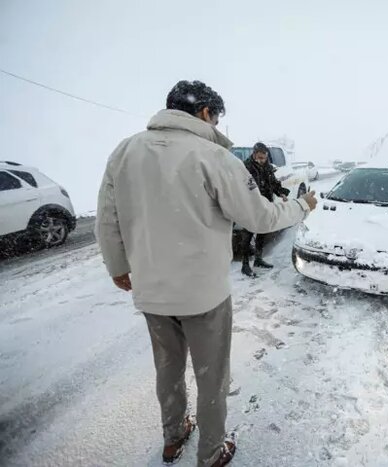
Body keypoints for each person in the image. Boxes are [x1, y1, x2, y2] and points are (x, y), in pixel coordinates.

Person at [95, 80, 317, 467]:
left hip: (151, 291)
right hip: (204, 295)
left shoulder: (125, 152)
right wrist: (302, 205)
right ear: (204, 113)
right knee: (211, 376)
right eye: (216, 116)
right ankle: (211, 453)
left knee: (168, 369)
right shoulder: (214, 157)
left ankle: (174, 434)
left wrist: (117, 267)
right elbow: (260, 217)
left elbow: (107, 220)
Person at [239, 142, 290, 277]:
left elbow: (273, 182)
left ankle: (258, 259)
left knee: (262, 231)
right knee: (248, 234)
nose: (262, 161)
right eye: (260, 158)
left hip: (265, 203)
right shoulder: (246, 168)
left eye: (264, 158)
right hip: (251, 205)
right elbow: (242, 187)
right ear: (254, 155)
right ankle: (245, 265)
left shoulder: (267, 167)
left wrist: (282, 193)